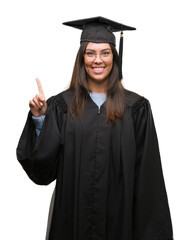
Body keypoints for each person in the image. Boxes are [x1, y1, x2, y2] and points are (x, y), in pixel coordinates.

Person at [16, 17, 173, 240]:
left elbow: (149, 180)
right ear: (81, 58)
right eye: (90, 53)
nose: (97, 60)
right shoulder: (62, 106)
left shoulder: (136, 108)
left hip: (120, 225)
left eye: (105, 53)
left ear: (114, 58)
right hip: (71, 224)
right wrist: (40, 119)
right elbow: (43, 170)